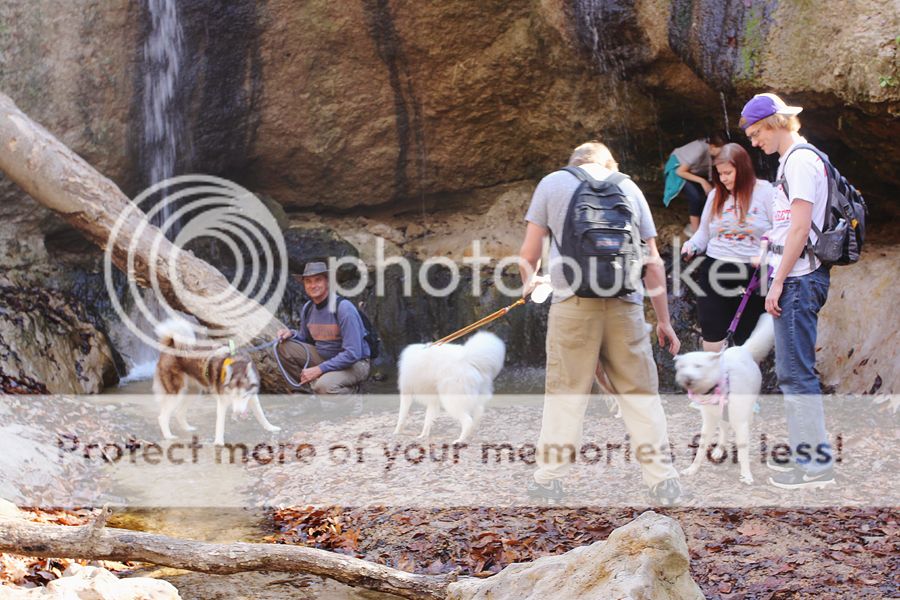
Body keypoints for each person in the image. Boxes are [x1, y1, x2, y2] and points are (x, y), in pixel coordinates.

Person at [519, 141, 683, 505]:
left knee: (566, 392)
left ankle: (549, 480)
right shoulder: (628, 186)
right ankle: (662, 480)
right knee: (640, 394)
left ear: (574, 161)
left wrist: (532, 285)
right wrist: (663, 320)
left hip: (573, 304)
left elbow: (529, 255)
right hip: (626, 305)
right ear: (610, 163)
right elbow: (653, 261)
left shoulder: (553, 183)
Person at [740, 92, 835, 489]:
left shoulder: (799, 162)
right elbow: (788, 226)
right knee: (793, 372)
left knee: (796, 375)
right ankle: (809, 457)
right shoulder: (793, 161)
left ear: (777, 122)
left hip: (798, 279)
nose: (754, 141)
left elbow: (800, 228)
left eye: (757, 132)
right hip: (794, 275)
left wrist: (776, 282)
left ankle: (814, 466)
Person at [681, 143, 774, 353]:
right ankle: (715, 382)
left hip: (753, 273)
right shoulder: (716, 196)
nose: (723, 179)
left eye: (728, 173)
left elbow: (780, 231)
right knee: (712, 333)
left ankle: (739, 382)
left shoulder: (766, 192)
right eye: (719, 174)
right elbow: (703, 233)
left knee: (746, 340)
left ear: (742, 168)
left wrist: (765, 253)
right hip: (716, 269)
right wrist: (691, 246)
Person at [275, 261, 371, 396]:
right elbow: (306, 338)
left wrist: (319, 369)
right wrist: (291, 333)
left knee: (324, 386)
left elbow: (352, 354)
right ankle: (305, 395)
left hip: (355, 364)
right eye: (308, 281)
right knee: (285, 347)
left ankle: (356, 395)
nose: (313, 285)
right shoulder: (308, 308)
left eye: (318, 280)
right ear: (304, 285)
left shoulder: (344, 308)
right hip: (324, 357)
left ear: (327, 282)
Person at [663, 133, 727, 234]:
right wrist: (703, 181)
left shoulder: (715, 154)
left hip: (693, 171)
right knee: (696, 197)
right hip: (677, 170)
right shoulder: (700, 149)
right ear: (712, 146)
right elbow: (680, 171)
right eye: (721, 151)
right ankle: (695, 231)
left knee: (710, 195)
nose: (723, 154)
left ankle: (708, 225)